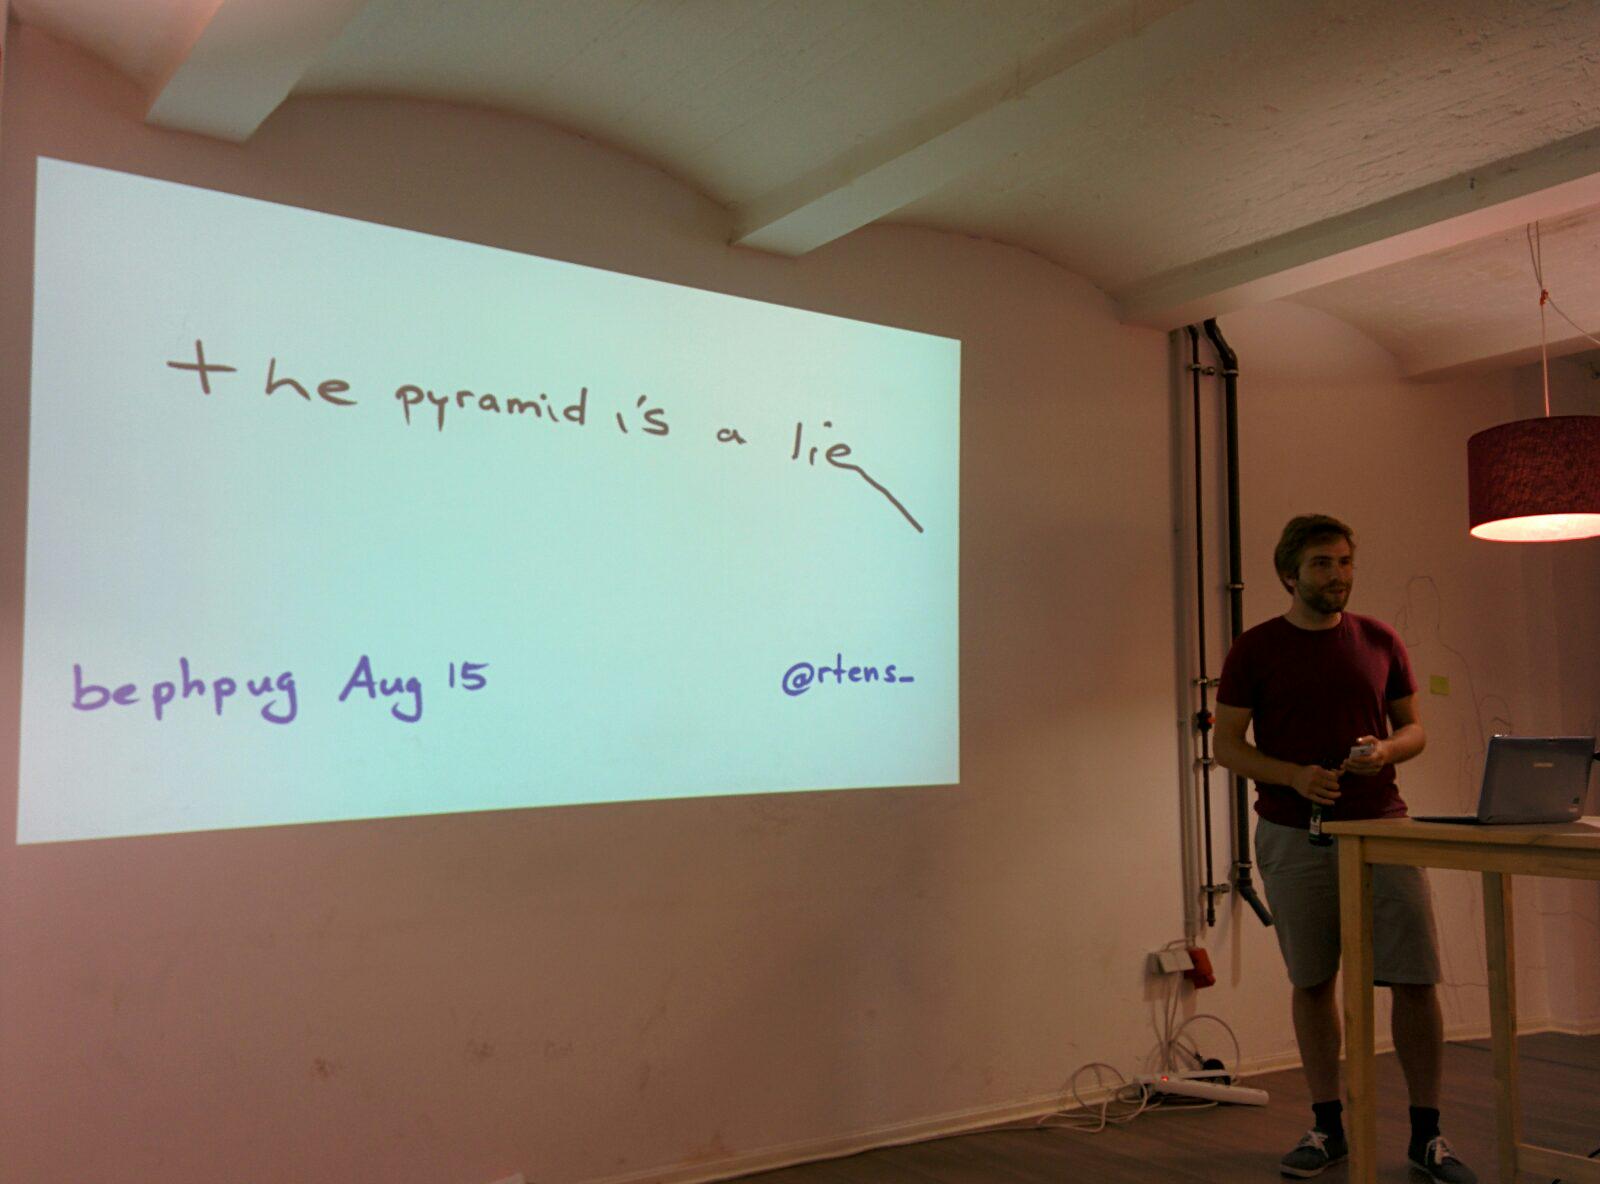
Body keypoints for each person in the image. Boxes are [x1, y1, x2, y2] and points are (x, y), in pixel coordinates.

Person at [1212, 514, 1475, 1184]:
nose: (1338, 575)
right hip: (1293, 832)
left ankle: (1428, 1135)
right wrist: (1294, 776)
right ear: (1289, 575)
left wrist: (1384, 750)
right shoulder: (1254, 649)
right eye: (1323, 564)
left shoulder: (1380, 639)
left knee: (1415, 978)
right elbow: (1228, 746)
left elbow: (1414, 730)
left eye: (1345, 562)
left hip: (1383, 825)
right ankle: (1327, 1127)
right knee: (1312, 980)